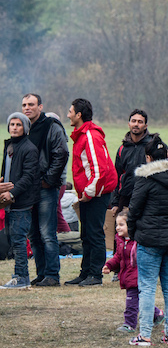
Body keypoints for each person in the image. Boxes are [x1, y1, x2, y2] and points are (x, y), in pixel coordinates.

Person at [126, 138, 168, 345]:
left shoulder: (145, 178)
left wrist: (133, 233)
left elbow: (134, 209)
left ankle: (144, 335)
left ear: (149, 158)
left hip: (150, 239)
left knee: (147, 287)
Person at [65, 98, 118, 287]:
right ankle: (85, 272)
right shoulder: (82, 135)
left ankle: (95, 275)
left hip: (97, 193)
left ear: (79, 115)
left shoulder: (89, 136)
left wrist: (88, 192)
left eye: (70, 111)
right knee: (85, 233)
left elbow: (100, 170)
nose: (68, 114)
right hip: (89, 193)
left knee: (94, 233)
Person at [21, 94, 69, 287]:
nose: (27, 108)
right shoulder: (23, 128)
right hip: (27, 189)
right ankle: (41, 274)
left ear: (40, 106)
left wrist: (49, 180)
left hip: (45, 188)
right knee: (33, 233)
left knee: (47, 232)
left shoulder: (52, 126)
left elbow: (62, 153)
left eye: (31, 104)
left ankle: (52, 275)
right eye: (24, 105)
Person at [101, 211, 163, 333]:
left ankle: (129, 324)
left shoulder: (138, 241)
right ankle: (157, 313)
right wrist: (109, 265)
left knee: (131, 302)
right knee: (140, 299)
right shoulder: (120, 241)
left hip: (137, 277)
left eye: (121, 224)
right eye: (117, 225)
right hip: (128, 277)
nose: (118, 227)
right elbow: (118, 256)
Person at [0, 113, 41, 289]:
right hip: (8, 201)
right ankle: (18, 275)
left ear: (25, 128)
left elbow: (28, 177)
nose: (14, 127)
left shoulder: (29, 148)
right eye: (12, 124)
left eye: (18, 124)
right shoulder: (8, 146)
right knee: (12, 239)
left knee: (19, 240)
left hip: (21, 202)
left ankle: (22, 277)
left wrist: (13, 193)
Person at [110, 110, 159, 245]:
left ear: (145, 125)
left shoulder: (152, 146)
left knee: (143, 235)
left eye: (140, 122)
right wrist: (115, 202)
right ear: (129, 124)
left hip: (147, 197)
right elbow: (117, 175)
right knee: (121, 235)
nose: (136, 124)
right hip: (126, 196)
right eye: (133, 121)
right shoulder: (122, 148)